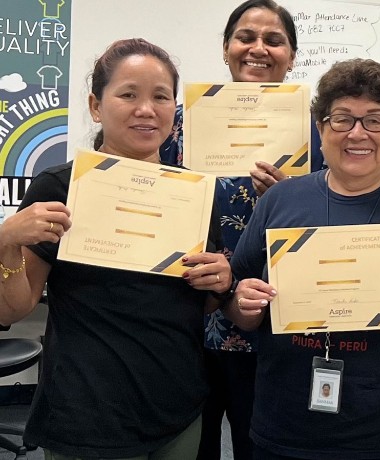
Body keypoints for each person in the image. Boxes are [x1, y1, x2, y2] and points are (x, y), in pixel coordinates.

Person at [227, 58, 380, 459]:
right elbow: (239, 304)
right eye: (342, 119)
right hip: (287, 423)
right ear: (321, 129)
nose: (357, 133)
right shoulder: (280, 200)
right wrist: (243, 300)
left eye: (375, 120)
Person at [0, 38, 232, 458]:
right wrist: (5, 241)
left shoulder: (195, 194)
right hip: (88, 409)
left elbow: (195, 304)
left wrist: (219, 282)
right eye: (128, 94)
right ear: (95, 105)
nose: (147, 109)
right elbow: (11, 310)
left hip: (176, 405)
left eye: (161, 97)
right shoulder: (58, 188)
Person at [157, 3, 327, 457]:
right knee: (193, 446)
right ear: (226, 49)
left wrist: (297, 196)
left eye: (274, 40)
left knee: (263, 446)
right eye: (245, 37)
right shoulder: (177, 122)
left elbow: (338, 220)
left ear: (292, 56)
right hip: (188, 317)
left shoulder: (320, 132)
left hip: (276, 322)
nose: (258, 49)